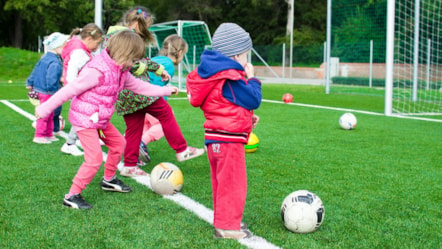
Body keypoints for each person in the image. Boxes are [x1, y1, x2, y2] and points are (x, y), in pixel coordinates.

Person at [35, 30, 179, 209]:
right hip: (85, 120)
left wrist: (164, 90)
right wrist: (45, 108)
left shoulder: (121, 70)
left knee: (119, 144)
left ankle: (109, 179)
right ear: (123, 54)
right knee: (94, 159)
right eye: (134, 60)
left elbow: (139, 87)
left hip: (100, 119)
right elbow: (69, 90)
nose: (136, 64)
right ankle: (72, 195)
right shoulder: (96, 71)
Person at [104, 6, 204, 177]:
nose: (146, 30)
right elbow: (131, 63)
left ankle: (129, 165)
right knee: (165, 113)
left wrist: (159, 70)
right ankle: (181, 149)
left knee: (134, 128)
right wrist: (149, 73)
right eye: (145, 26)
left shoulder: (116, 34)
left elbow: (141, 60)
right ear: (137, 23)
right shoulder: (124, 37)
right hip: (137, 90)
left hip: (125, 94)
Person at [186, 23, 262, 239]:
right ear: (236, 55)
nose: (247, 61)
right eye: (246, 56)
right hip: (228, 142)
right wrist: (252, 78)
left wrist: (247, 118)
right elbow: (253, 98)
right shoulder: (230, 77)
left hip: (215, 138)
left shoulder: (213, 75)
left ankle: (225, 220)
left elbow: (225, 105)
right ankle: (227, 227)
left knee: (221, 183)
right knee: (233, 184)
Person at [138, 34, 189, 165]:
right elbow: (154, 83)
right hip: (150, 100)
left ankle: (133, 151)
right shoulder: (169, 66)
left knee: (145, 126)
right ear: (180, 52)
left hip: (138, 98)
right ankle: (141, 142)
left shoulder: (156, 59)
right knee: (164, 124)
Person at [59, 23, 104, 156]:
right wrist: (75, 88)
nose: (97, 48)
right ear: (89, 39)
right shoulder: (80, 52)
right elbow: (72, 71)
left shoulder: (80, 48)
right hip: (78, 89)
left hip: (79, 88)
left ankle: (89, 138)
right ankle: (69, 144)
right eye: (97, 43)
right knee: (84, 115)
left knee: (92, 113)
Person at [26, 32, 70, 144]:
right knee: (46, 114)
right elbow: (51, 79)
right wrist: (56, 91)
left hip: (41, 89)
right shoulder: (55, 61)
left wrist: (30, 82)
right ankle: (40, 135)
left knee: (50, 113)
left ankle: (48, 133)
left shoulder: (45, 57)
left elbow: (35, 70)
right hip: (48, 92)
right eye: (64, 46)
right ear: (58, 46)